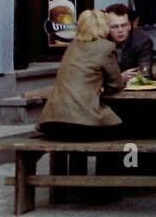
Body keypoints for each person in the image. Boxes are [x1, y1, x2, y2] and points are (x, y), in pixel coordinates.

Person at [38, 9, 129, 139]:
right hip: (82, 124)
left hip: (51, 124)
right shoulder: (106, 47)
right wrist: (101, 87)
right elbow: (116, 85)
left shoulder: (71, 47)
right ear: (104, 26)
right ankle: (127, 160)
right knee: (129, 128)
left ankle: (77, 160)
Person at [105, 2, 153, 78]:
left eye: (123, 25)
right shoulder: (101, 41)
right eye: (115, 26)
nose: (120, 30)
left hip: (134, 86)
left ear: (130, 26)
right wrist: (119, 78)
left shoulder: (142, 41)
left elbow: (145, 73)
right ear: (107, 28)